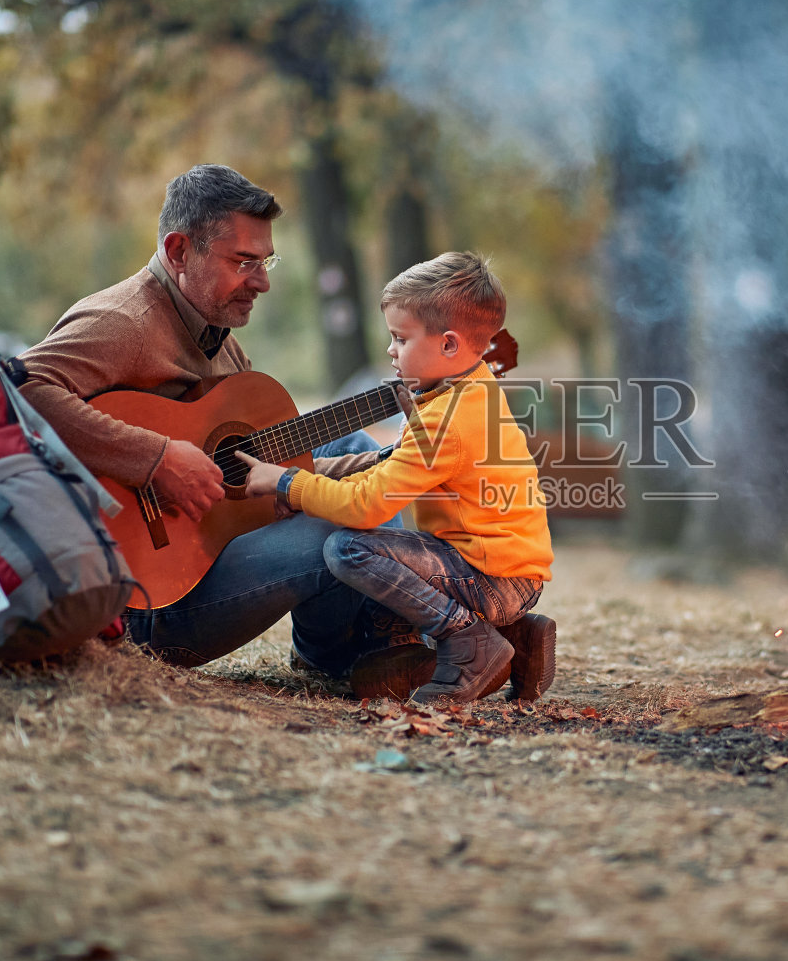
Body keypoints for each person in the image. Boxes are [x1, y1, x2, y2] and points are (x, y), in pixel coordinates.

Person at [17, 163, 387, 675]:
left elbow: (236, 479)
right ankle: (343, 656)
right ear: (178, 251)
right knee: (351, 513)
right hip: (141, 605)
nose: (261, 282)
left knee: (354, 447)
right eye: (243, 261)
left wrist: (275, 497)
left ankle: (350, 645)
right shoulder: (123, 322)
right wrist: (156, 459)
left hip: (202, 554)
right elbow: (18, 392)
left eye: (267, 262)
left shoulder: (218, 335)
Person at [235, 251, 555, 704]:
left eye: (400, 339)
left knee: (349, 549)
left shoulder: (446, 420)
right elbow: (387, 467)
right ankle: (518, 635)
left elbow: (369, 506)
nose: (390, 350)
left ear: (448, 345)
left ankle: (470, 642)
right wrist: (306, 476)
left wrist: (290, 485)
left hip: (493, 578)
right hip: (508, 571)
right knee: (387, 554)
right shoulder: (469, 385)